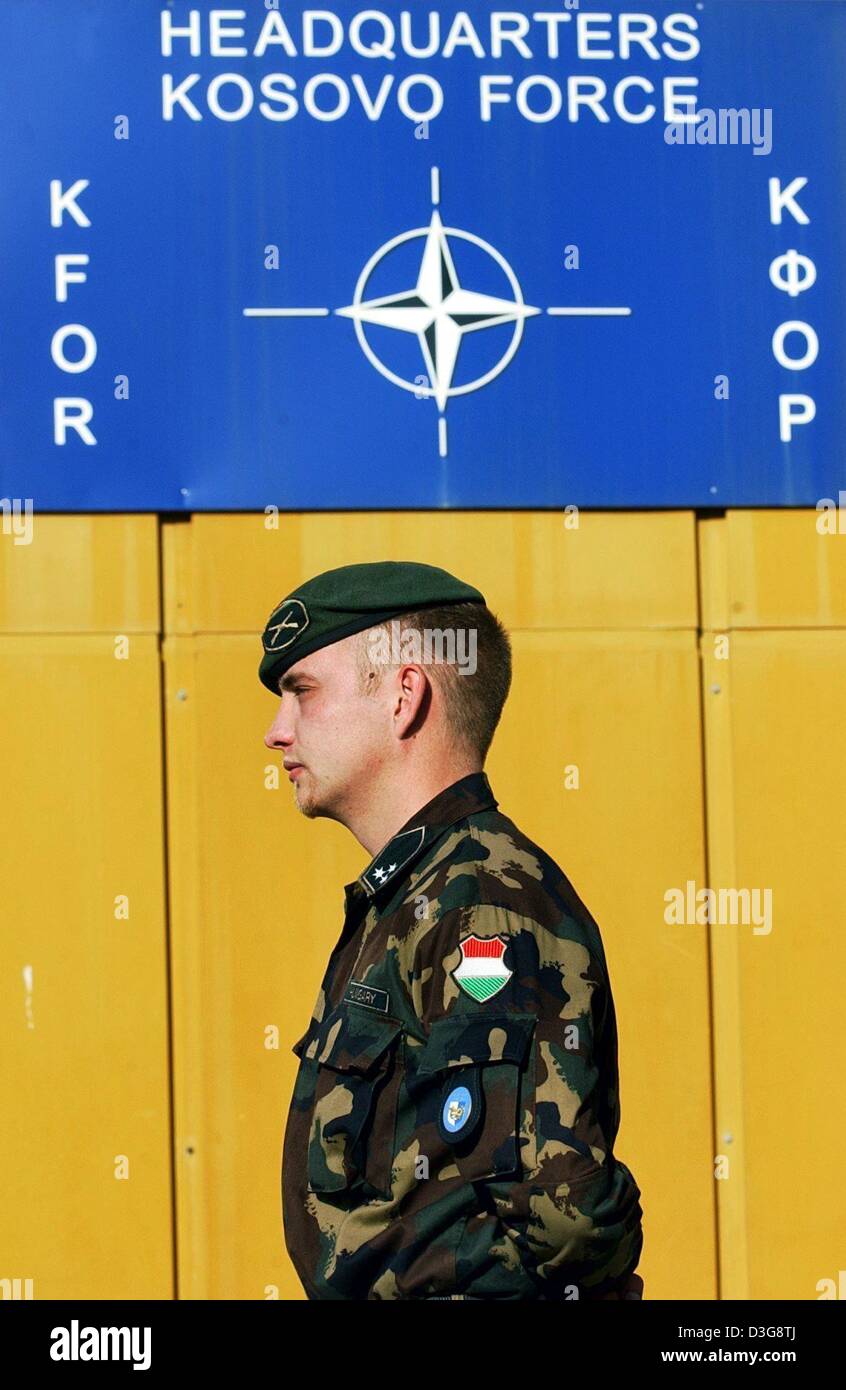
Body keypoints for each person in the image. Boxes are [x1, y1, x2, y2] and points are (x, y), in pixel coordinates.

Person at [260, 560, 644, 1301]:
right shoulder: (415, 898)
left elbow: (564, 1215)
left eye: (301, 691)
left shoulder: (482, 907)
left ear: (404, 695)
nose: (277, 732)